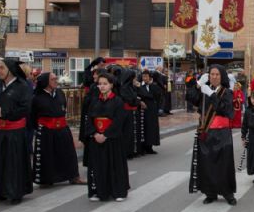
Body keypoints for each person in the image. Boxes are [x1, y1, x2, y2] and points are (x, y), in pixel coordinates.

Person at [0, 59, 33, 205]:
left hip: (14, 131)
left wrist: (3, 112)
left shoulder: (22, 86)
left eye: (1, 68)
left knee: (14, 163)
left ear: (10, 69)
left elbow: (25, 109)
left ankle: (16, 192)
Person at [186, 64, 237, 205]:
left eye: (217, 74)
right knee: (207, 163)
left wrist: (212, 95)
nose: (214, 77)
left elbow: (225, 110)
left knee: (224, 163)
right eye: (211, 74)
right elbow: (190, 98)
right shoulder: (204, 89)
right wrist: (197, 85)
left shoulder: (227, 92)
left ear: (222, 77)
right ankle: (210, 192)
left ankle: (228, 193)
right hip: (207, 132)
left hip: (222, 133)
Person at [30, 72, 85, 186]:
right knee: (47, 156)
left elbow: (63, 107)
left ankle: (73, 176)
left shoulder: (60, 93)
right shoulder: (37, 97)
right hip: (46, 130)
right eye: (53, 79)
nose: (56, 81)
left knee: (69, 153)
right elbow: (32, 116)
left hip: (62, 128)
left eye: (56, 78)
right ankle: (47, 179)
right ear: (46, 82)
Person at [84, 72, 130, 202]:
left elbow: (119, 120)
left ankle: (118, 191)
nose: (102, 86)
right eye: (100, 84)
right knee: (98, 166)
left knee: (114, 165)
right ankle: (99, 191)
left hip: (112, 138)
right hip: (96, 137)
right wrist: (95, 133)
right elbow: (89, 120)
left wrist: (106, 134)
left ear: (111, 85)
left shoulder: (118, 101)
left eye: (105, 84)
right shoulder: (94, 101)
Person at [138, 70, 161, 155]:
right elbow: (141, 95)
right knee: (144, 127)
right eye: (143, 76)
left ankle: (150, 147)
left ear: (150, 77)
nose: (145, 78)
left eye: (146, 76)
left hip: (152, 109)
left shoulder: (153, 86)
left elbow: (157, 95)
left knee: (151, 128)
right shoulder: (140, 86)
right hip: (143, 110)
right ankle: (143, 147)